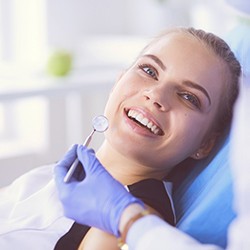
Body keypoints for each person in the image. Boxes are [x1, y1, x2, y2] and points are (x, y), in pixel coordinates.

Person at [0, 26, 241, 250]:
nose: (156, 94)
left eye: (189, 97)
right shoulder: (57, 175)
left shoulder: (126, 222)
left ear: (205, 143)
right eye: (149, 70)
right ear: (118, 81)